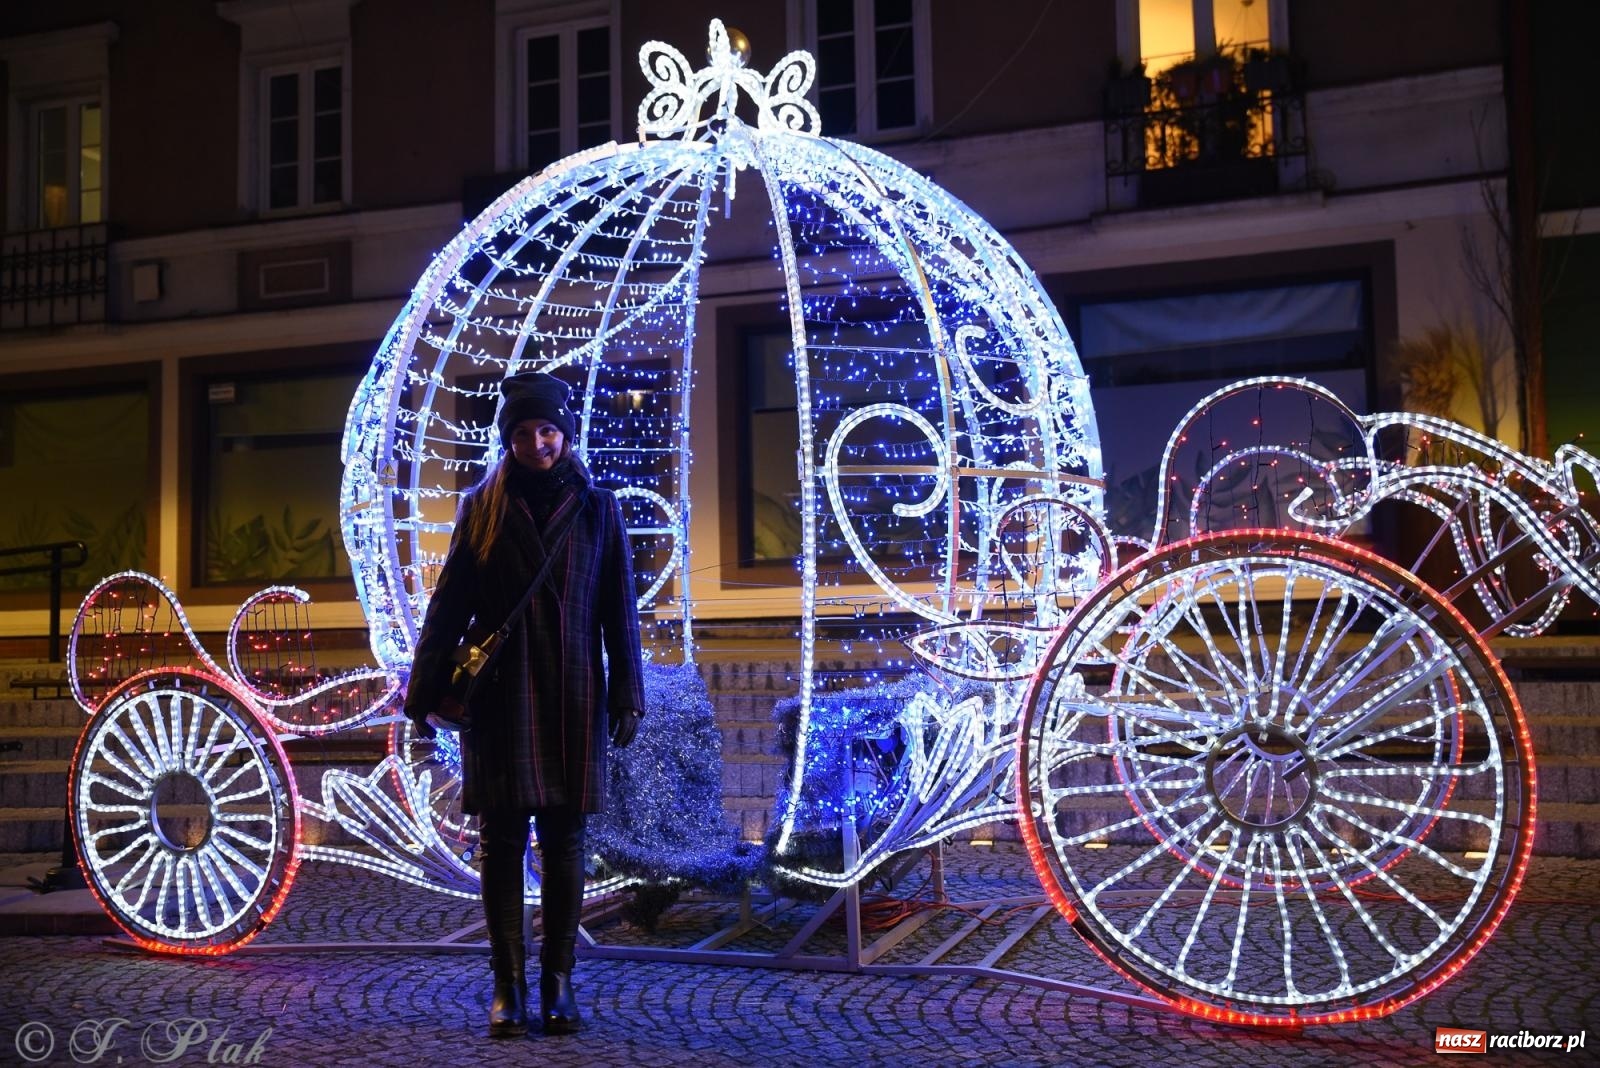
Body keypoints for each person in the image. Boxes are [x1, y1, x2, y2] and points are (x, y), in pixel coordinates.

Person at [403, 371, 645, 1038]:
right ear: (507, 439)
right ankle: (506, 984)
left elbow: (618, 608)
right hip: (502, 698)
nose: (537, 443)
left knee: (565, 843)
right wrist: (424, 692)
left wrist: (628, 692)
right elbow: (449, 605)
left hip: (572, 691)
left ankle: (559, 981)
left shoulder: (598, 508)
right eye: (523, 433)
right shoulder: (482, 506)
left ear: (566, 434)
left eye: (548, 431)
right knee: (502, 842)